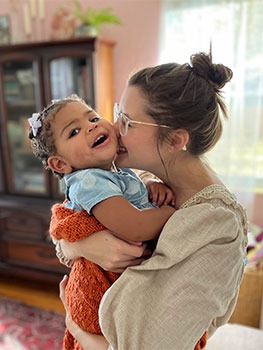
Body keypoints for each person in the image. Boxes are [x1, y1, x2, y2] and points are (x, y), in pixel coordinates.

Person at [56, 49, 248, 350]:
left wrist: (75, 327)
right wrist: (79, 245)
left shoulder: (217, 226)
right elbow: (68, 229)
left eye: (128, 123)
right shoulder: (144, 185)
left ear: (175, 140)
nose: (113, 129)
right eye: (118, 114)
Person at [28, 95, 176, 350]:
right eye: (74, 131)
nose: (92, 126)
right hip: (99, 285)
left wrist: (149, 186)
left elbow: (131, 194)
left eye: (93, 117)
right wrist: (173, 213)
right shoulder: (88, 181)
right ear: (61, 164)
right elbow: (134, 226)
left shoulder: (115, 171)